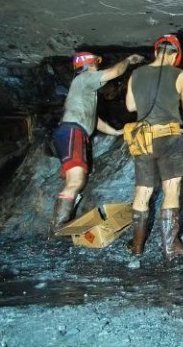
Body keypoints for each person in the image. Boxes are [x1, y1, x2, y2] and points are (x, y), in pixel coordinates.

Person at [49, 51, 145, 236]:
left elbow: (93, 120)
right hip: (72, 131)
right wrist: (128, 60)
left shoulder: (84, 88)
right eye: (95, 63)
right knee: (76, 180)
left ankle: (59, 226)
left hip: (75, 132)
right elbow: (115, 72)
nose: (98, 67)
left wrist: (116, 132)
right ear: (88, 64)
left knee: (76, 179)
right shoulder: (85, 78)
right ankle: (58, 226)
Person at [125, 34, 183, 259]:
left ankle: (137, 246)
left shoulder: (136, 74)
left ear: (156, 51)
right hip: (169, 138)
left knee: (142, 191)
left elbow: (130, 106)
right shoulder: (179, 74)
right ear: (175, 54)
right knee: (171, 190)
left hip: (143, 139)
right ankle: (170, 248)